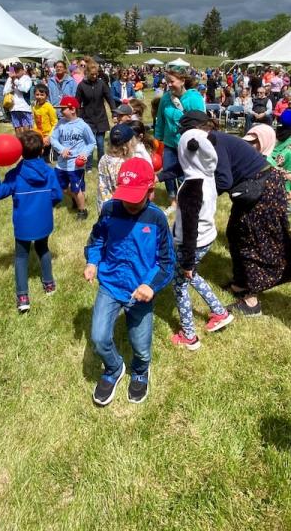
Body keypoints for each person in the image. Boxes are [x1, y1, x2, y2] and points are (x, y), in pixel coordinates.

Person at [180, 111, 291, 317]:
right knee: (235, 233)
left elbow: (224, 181)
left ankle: (251, 302)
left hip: (262, 192)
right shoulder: (207, 142)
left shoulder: (215, 143)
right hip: (252, 188)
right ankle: (239, 283)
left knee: (251, 242)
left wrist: (201, 197)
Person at [84, 157, 174, 406]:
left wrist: (150, 285)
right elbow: (97, 240)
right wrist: (92, 261)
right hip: (111, 285)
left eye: (136, 198)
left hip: (140, 291)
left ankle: (140, 371)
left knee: (141, 345)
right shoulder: (110, 209)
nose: (130, 204)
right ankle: (113, 368)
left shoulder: (156, 219)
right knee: (99, 337)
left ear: (151, 193)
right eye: (126, 197)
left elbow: (166, 262)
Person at [0, 131, 62, 314]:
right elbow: (57, 195)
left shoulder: (15, 174)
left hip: (23, 225)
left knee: (21, 257)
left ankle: (23, 297)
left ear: (18, 152)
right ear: (42, 149)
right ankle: (49, 284)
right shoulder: (49, 172)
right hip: (44, 222)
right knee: (43, 249)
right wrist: (45, 206)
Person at [169, 129, 233, 350]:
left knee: (179, 284)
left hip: (193, 243)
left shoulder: (191, 188)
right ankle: (220, 312)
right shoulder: (207, 176)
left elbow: (189, 228)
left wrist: (187, 260)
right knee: (192, 276)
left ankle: (189, 335)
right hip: (207, 237)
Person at [153, 70, 205, 207]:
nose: (169, 85)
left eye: (172, 81)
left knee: (184, 173)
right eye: (167, 81)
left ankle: (184, 200)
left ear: (182, 81)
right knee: (168, 172)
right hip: (170, 142)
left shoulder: (194, 98)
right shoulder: (165, 98)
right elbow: (160, 120)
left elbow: (202, 122)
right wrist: (157, 139)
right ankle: (173, 202)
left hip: (188, 144)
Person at [49, 96, 95, 221]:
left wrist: (84, 154)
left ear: (72, 109)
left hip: (76, 164)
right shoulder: (61, 123)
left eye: (63, 109)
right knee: (62, 188)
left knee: (76, 189)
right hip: (61, 164)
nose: (61, 111)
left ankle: (82, 210)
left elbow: (91, 142)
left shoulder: (83, 125)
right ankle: (76, 199)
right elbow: (53, 138)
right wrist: (61, 149)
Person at [76, 60, 115, 167]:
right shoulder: (81, 86)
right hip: (87, 118)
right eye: (92, 74)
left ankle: (100, 164)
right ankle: (88, 165)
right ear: (87, 73)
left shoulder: (101, 84)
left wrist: (114, 112)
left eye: (96, 74)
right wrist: (77, 117)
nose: (94, 76)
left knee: (100, 144)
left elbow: (110, 98)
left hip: (101, 117)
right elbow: (77, 103)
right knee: (89, 144)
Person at [96, 123, 136, 211]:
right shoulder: (124, 163)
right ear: (128, 144)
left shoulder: (104, 158)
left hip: (103, 204)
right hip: (118, 208)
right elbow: (121, 187)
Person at [2, 62, 33, 136]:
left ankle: (27, 145)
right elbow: (4, 92)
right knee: (17, 128)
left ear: (22, 70)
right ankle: (19, 145)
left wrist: (15, 80)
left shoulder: (27, 78)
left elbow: (25, 89)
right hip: (13, 108)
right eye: (14, 70)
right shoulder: (10, 79)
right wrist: (11, 86)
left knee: (26, 130)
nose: (15, 72)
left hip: (24, 108)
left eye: (17, 70)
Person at [31, 83, 58, 157]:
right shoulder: (35, 107)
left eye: (42, 95)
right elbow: (35, 122)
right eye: (37, 94)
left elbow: (55, 123)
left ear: (47, 96)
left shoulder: (49, 107)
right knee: (38, 155)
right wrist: (35, 132)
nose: (39, 97)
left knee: (46, 157)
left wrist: (49, 136)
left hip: (47, 137)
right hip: (39, 136)